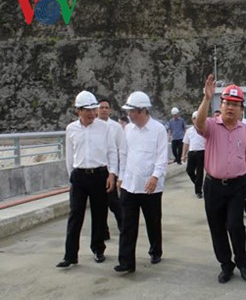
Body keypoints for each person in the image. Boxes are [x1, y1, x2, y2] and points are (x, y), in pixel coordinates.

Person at [195, 75, 246, 284]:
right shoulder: (211, 126)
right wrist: (206, 98)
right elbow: (199, 123)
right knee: (217, 227)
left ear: (241, 109)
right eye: (227, 103)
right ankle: (226, 264)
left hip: (237, 185)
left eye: (235, 105)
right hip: (213, 185)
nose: (230, 108)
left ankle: (242, 262)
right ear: (220, 105)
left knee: (235, 225)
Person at [56, 90, 117, 268]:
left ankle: (98, 249)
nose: (92, 113)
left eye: (93, 109)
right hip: (79, 176)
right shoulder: (71, 129)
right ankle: (70, 255)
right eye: (87, 110)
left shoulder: (104, 128)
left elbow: (112, 151)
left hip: (99, 174)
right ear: (78, 111)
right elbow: (69, 155)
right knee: (75, 215)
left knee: (99, 214)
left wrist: (112, 174)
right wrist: (72, 177)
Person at [114, 91, 168, 273]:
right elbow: (123, 154)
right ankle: (126, 262)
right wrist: (120, 177)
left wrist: (155, 176)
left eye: (132, 112)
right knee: (127, 225)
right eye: (129, 112)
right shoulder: (127, 129)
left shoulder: (158, 129)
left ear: (143, 110)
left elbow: (162, 157)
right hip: (130, 184)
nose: (129, 115)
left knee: (153, 221)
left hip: (151, 186)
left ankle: (155, 250)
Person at [97, 98, 124, 237]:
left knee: (113, 202)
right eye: (101, 107)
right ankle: (103, 232)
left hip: (112, 170)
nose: (104, 110)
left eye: (106, 107)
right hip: (97, 169)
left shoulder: (116, 127)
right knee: (99, 205)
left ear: (110, 110)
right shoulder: (93, 126)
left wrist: (118, 172)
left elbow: (121, 148)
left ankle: (123, 227)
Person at [182, 111, 206, 199]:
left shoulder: (204, 129)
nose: (196, 120)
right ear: (193, 120)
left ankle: (198, 191)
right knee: (189, 170)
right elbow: (186, 143)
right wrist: (183, 155)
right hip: (192, 152)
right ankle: (198, 184)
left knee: (199, 172)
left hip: (202, 152)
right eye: (195, 118)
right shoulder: (189, 131)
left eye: (198, 118)